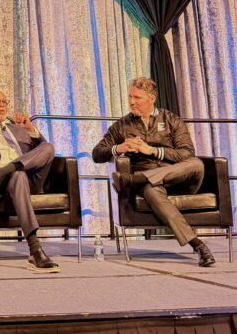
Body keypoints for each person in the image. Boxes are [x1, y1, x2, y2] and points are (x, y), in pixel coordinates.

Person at [92, 77, 216, 267]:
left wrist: (152, 151)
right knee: (151, 190)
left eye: (137, 98)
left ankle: (136, 179)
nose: (132, 102)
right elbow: (97, 154)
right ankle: (198, 245)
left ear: (151, 99)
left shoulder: (171, 120)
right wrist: (119, 148)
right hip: (152, 184)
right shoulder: (122, 125)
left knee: (196, 163)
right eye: (130, 97)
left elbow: (186, 153)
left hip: (179, 179)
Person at [0, 89, 60, 273]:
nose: (2, 106)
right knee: (18, 175)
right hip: (4, 185)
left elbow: (44, 154)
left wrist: (30, 130)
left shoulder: (17, 128)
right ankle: (35, 249)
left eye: (4, 102)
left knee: (48, 147)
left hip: (31, 179)